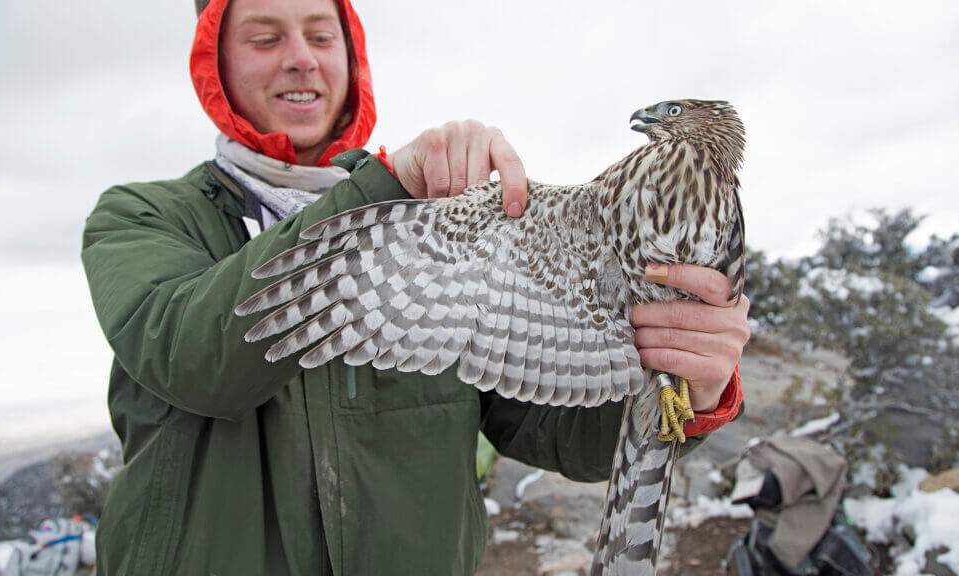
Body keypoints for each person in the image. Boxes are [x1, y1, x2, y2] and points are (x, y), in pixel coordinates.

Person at [80, 0, 751, 573]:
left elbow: (558, 427)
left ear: (351, 56)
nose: (301, 58)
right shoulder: (142, 217)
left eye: (321, 34)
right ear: (215, 65)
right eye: (264, 38)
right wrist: (385, 185)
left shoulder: (433, 224)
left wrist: (685, 386)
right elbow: (190, 354)